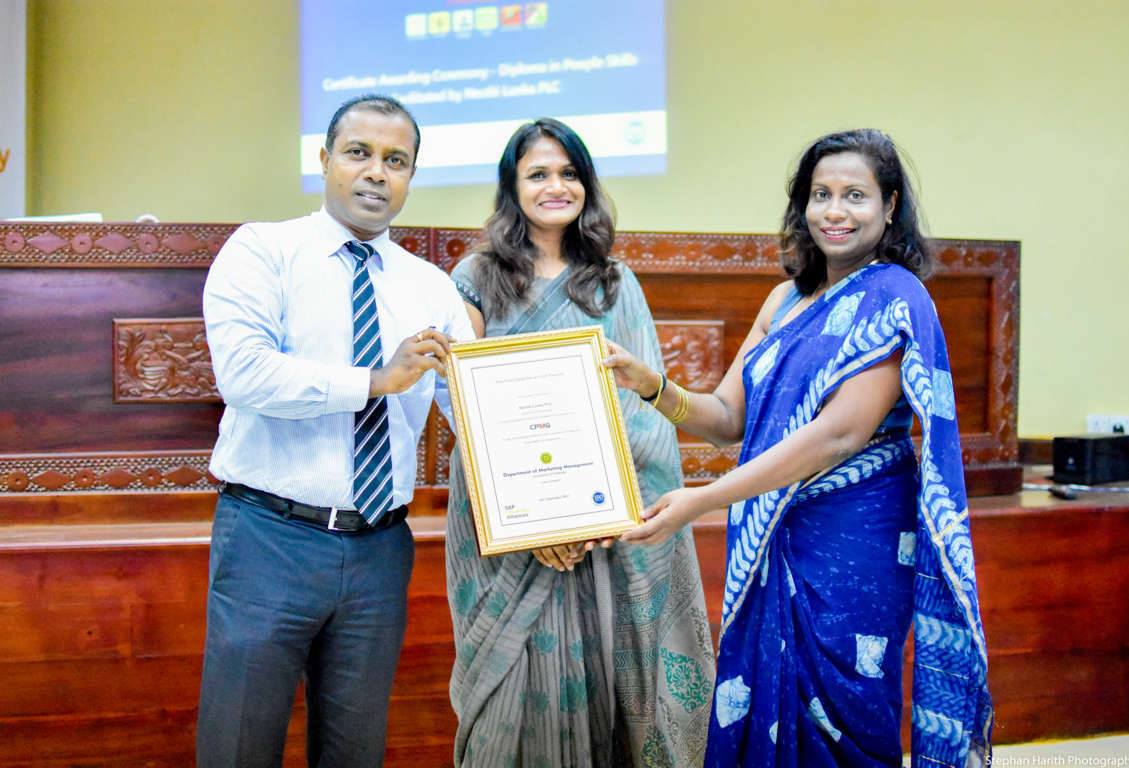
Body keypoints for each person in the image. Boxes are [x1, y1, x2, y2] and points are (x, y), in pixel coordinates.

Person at [605, 129, 992, 767]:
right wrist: (652, 386)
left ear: (890, 205)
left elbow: (840, 433)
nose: (835, 211)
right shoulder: (783, 300)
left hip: (855, 542)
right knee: (766, 705)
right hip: (773, 533)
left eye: (855, 195)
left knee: (847, 712)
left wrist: (702, 499)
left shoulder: (895, 297)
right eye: (821, 194)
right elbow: (728, 418)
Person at [197, 94, 474, 767]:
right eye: (359, 153)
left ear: (411, 176)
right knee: (238, 745)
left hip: (380, 547)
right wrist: (376, 379)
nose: (377, 172)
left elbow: (475, 408)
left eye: (396, 161)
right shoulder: (263, 250)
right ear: (324, 160)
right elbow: (246, 375)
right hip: (270, 538)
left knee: (354, 751)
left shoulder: (431, 285)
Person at [447, 118, 715, 767]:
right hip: (507, 518)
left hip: (603, 526)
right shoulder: (476, 276)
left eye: (569, 173)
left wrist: (587, 516)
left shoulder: (613, 281)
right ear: (513, 187)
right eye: (538, 173)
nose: (556, 186)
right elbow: (463, 398)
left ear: (587, 185)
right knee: (510, 689)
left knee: (606, 681)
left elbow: (641, 413)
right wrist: (538, 522)